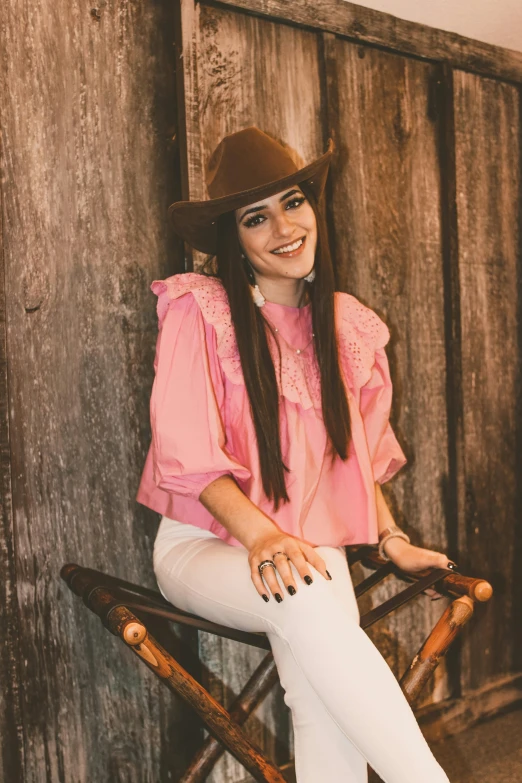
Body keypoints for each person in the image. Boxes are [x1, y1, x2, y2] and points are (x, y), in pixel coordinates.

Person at [137, 126, 454, 782]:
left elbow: (357, 458)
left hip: (312, 543)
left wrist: (390, 538)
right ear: (234, 237)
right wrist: (262, 540)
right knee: (309, 598)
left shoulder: (345, 327)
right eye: (257, 216)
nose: (284, 226)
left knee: (316, 690)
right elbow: (189, 456)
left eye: (294, 202)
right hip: (207, 544)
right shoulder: (201, 310)